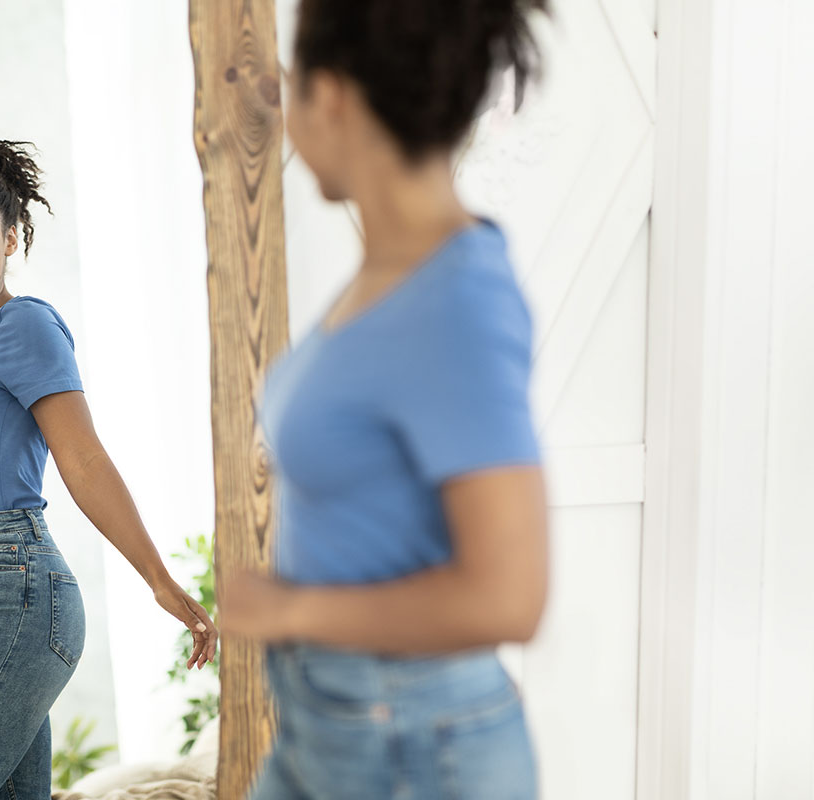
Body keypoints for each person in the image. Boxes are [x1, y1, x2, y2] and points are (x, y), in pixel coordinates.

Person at [219, 1, 550, 798]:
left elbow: (510, 596)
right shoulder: (391, 274)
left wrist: (290, 610)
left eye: (293, 90)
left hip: (413, 746)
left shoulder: (454, 302)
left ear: (330, 97)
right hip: (335, 722)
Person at [0, 136, 218, 800]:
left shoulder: (26, 326)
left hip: (15, 596)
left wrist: (156, 577)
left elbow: (84, 459)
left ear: (11, 238)